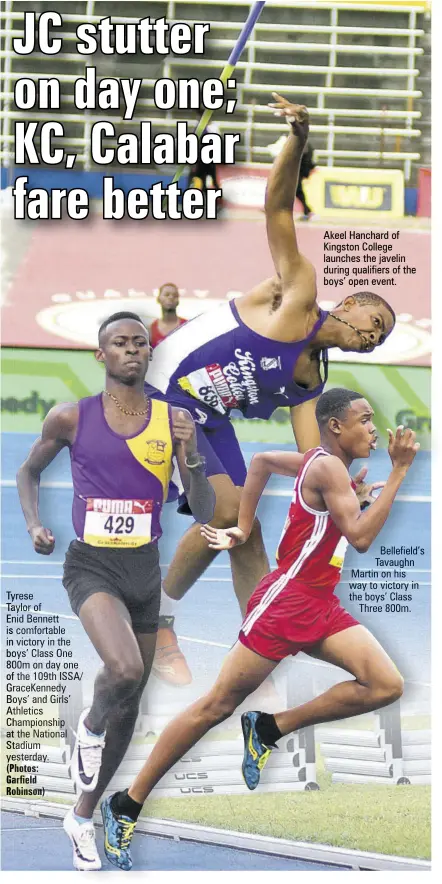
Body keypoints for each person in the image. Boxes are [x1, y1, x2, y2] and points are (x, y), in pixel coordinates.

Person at [101, 387, 419, 871]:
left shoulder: (319, 462)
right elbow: (359, 536)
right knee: (215, 707)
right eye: (365, 419)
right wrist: (398, 472)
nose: (374, 429)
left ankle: (270, 727)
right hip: (283, 606)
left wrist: (246, 527)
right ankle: (127, 803)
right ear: (336, 426)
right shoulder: (330, 467)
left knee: (385, 685)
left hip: (317, 604)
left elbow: (263, 462)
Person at [147, 94, 397, 686]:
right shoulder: (299, 292)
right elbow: (277, 208)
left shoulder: (312, 378)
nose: (373, 341)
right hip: (165, 383)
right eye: (375, 328)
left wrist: (343, 486)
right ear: (354, 305)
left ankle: (256, 644)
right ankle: (157, 621)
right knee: (229, 511)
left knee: (245, 529)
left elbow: (312, 457)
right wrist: (299, 139)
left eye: (381, 342)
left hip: (204, 413)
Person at [15, 311, 215, 872]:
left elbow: (203, 512)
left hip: (144, 572)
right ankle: (89, 726)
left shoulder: (175, 419)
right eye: (119, 344)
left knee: (131, 701)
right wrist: (35, 523)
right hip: (91, 566)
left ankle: (81, 816)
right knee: (123, 671)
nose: (132, 350)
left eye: (139, 344)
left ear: (149, 355)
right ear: (100, 356)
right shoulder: (71, 418)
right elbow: (28, 472)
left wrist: (191, 455)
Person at [149, 283, 187, 349]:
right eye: (166, 295)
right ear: (158, 299)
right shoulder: (151, 330)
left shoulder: (187, 326)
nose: (171, 297)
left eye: (175, 296)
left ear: (178, 301)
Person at [296, 141, 315, 219]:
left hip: (298, 170)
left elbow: (305, 159)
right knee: (297, 191)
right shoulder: (305, 144)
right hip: (298, 170)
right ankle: (307, 211)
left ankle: (308, 211)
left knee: (298, 191)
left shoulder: (303, 144)